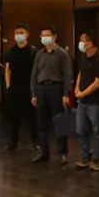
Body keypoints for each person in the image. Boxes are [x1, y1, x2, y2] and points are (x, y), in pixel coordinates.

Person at [30, 25, 72, 165]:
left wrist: (66, 94)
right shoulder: (39, 54)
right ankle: (43, 152)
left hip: (56, 89)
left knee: (60, 121)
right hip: (41, 89)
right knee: (41, 123)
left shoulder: (62, 54)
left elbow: (67, 75)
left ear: (54, 37)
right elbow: (34, 74)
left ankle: (63, 153)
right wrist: (33, 93)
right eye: (42, 36)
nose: (44, 38)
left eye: (47, 35)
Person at [74, 30, 99, 171]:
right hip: (82, 102)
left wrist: (82, 94)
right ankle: (85, 157)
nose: (80, 43)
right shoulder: (84, 57)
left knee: (98, 132)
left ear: (90, 43)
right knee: (80, 130)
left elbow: (98, 83)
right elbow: (80, 73)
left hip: (96, 101)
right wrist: (77, 88)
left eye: (82, 40)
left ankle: (98, 159)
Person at [3, 24, 38, 152]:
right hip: (14, 89)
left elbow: (37, 71)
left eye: (21, 32)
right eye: (16, 33)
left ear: (27, 34)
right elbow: (8, 70)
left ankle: (36, 142)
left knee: (32, 117)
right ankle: (12, 143)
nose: (18, 35)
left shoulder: (33, 51)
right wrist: (8, 85)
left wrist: (35, 89)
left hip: (29, 89)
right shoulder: (11, 51)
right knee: (13, 118)